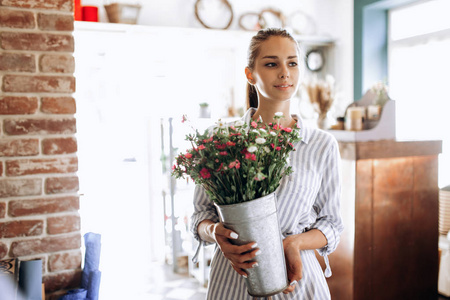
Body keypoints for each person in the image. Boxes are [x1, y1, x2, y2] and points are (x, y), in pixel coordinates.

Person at [190, 28, 344, 299]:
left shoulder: (322, 145)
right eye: (271, 63)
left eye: (292, 63)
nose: (284, 72)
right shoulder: (220, 141)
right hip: (233, 280)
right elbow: (200, 215)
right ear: (250, 74)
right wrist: (216, 233)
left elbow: (332, 224)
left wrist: (293, 244)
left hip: (299, 282)